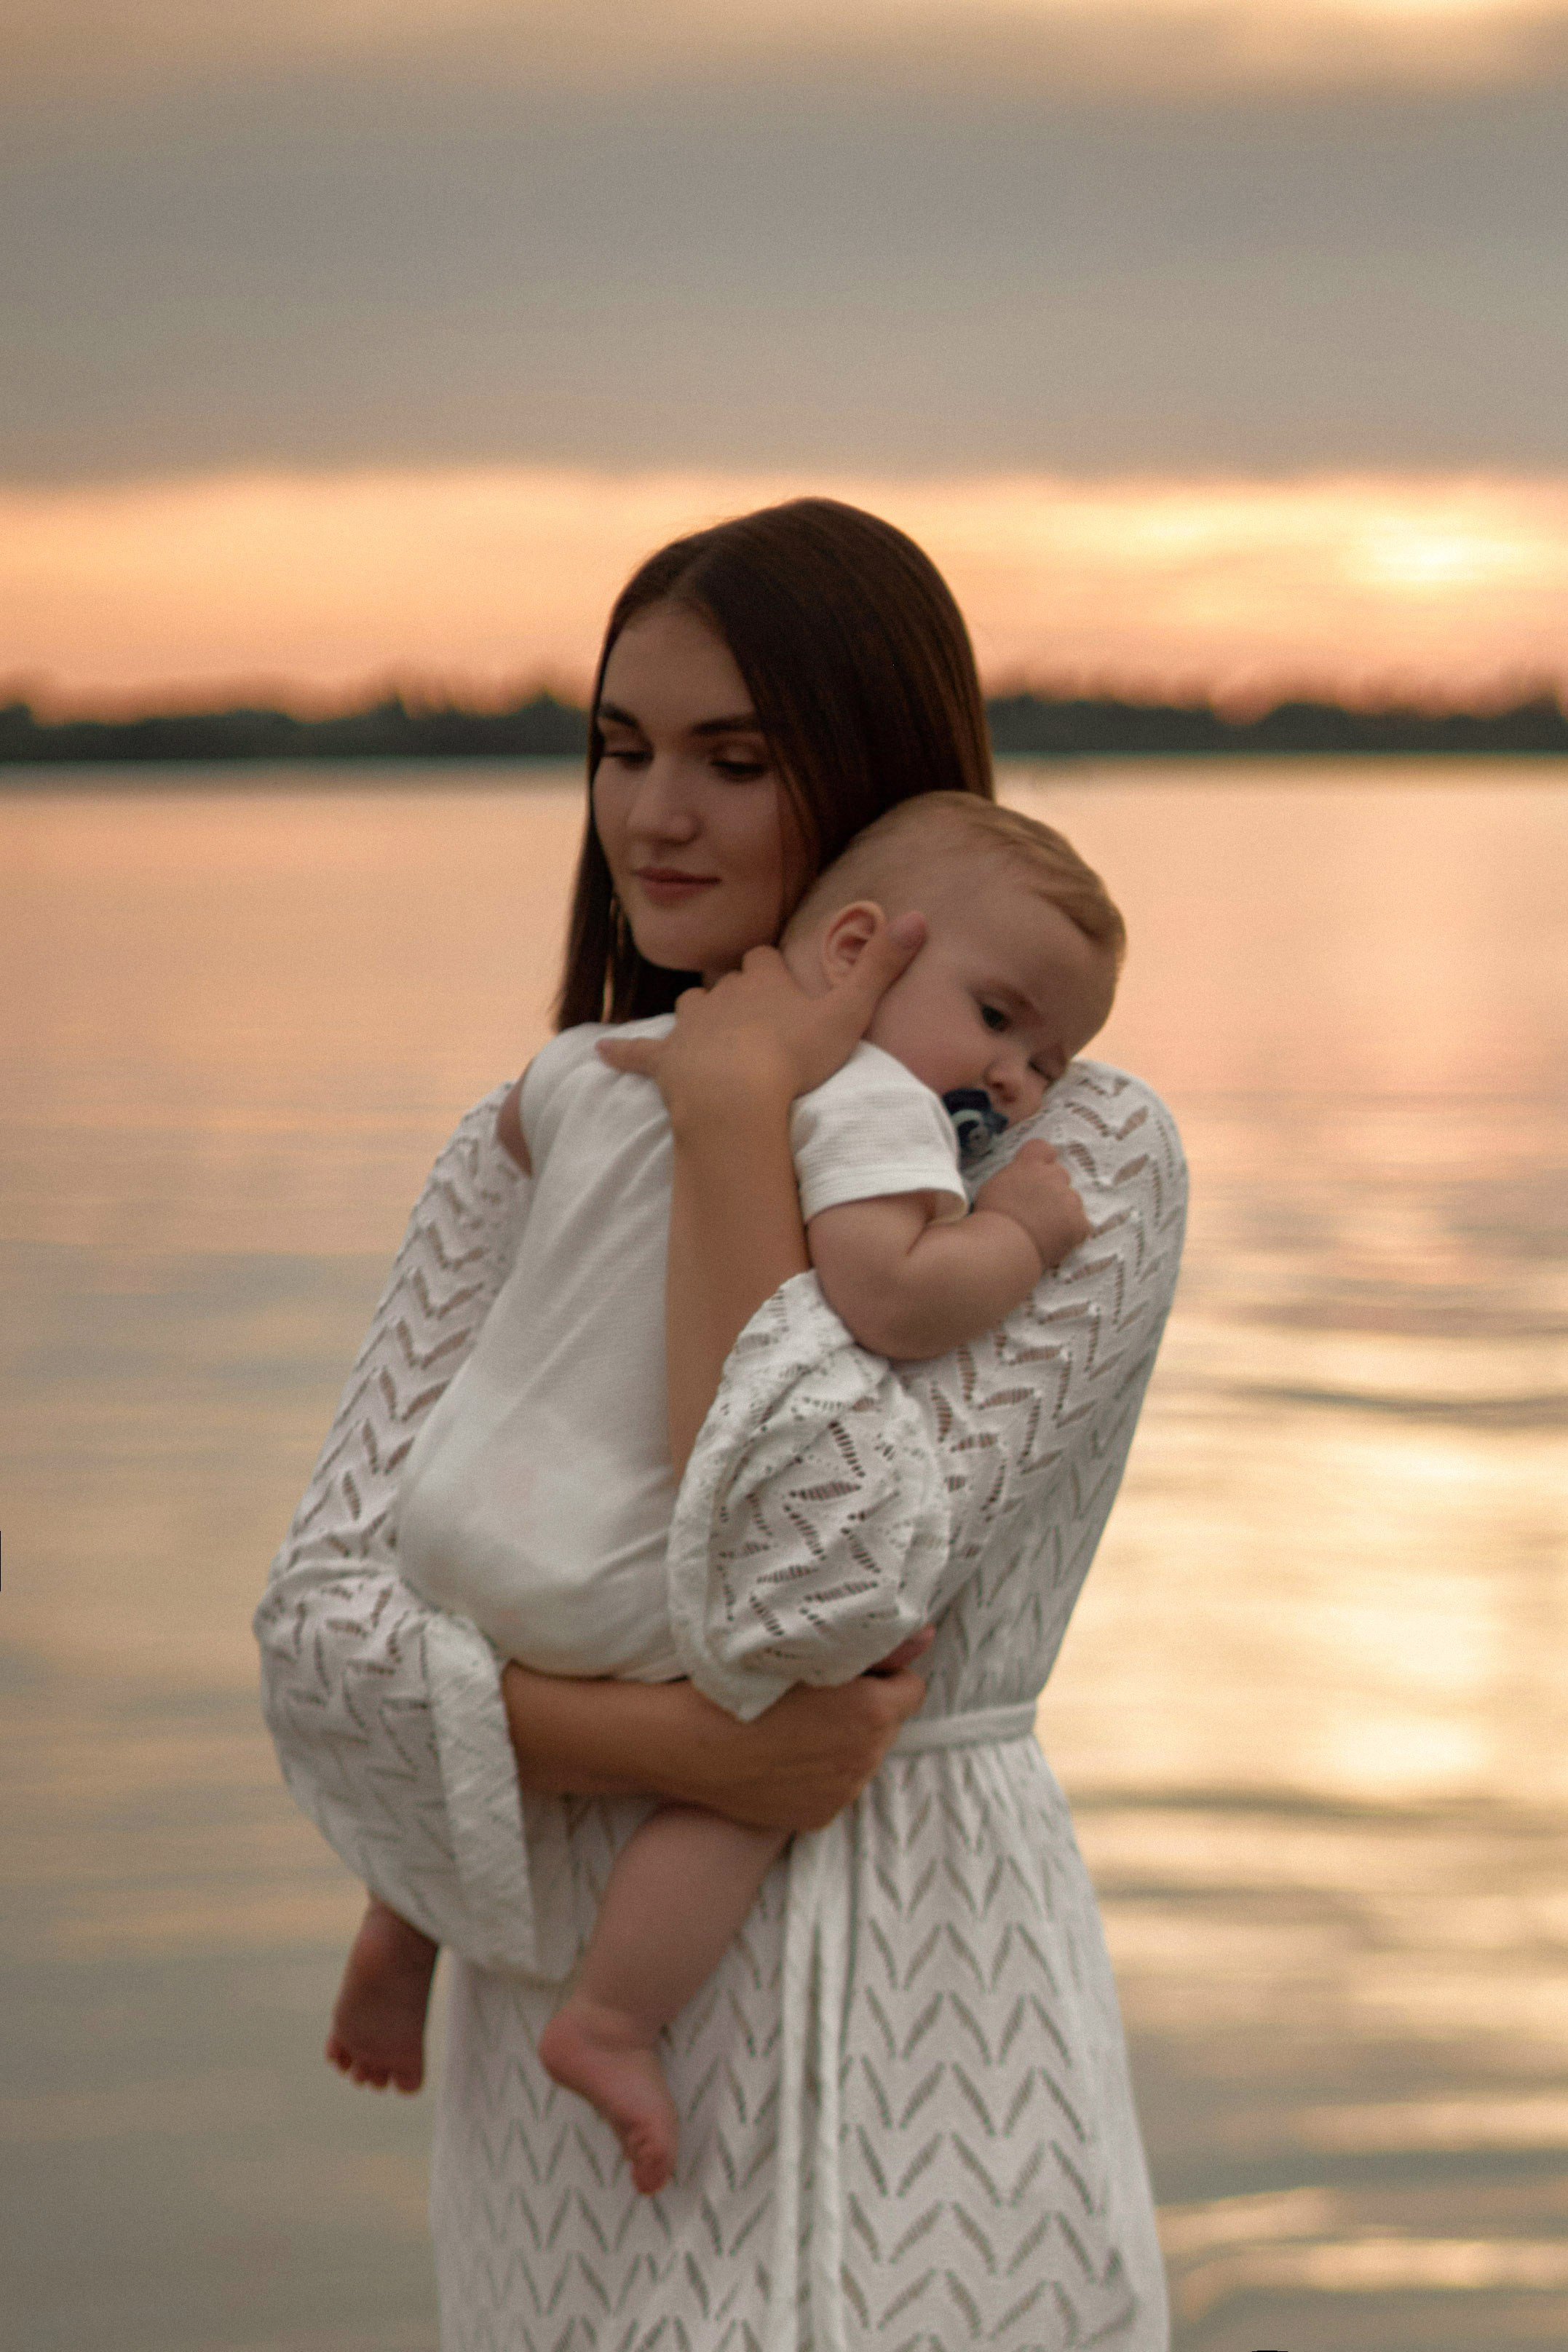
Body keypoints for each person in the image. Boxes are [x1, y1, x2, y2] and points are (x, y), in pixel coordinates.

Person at [256, 497, 1187, 2351]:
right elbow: (318, 1635)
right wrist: (678, 1743)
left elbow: (815, 1585)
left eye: (731, 758)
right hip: (561, 2096)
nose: (650, 813)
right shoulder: (540, 1129)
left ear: (863, 798)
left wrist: (736, 1116)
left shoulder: (1072, 1158)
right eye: (619, 747)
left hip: (919, 2060)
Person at [325, 789, 1125, 2200]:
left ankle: (402, 1923)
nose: (1018, 1081)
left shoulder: (603, 1055)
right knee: (777, 1709)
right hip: (605, 1558)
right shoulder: (874, 1103)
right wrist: (1020, 1228)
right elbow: (891, 1294)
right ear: (864, 943)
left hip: (451, 1521)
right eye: (1000, 1018)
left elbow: (518, 1125)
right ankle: (612, 2013)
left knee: (471, 1689)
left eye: (1052, 1060)